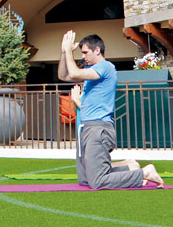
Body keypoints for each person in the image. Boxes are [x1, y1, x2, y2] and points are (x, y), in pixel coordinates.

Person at [58, 31, 162, 189]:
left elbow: (73, 72)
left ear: (97, 50)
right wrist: (64, 52)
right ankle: (130, 167)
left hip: (98, 128)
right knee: (85, 179)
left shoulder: (105, 67)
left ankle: (145, 173)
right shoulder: (91, 71)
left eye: (86, 52)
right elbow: (64, 76)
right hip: (87, 127)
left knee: (97, 181)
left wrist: (68, 52)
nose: (83, 56)